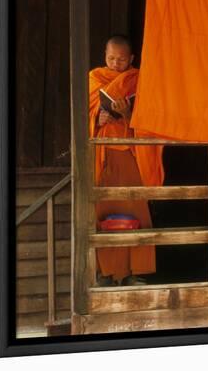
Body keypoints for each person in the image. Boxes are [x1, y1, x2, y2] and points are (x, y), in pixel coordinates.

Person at [88, 35, 164, 286]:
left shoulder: (140, 80)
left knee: (136, 213)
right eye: (111, 58)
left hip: (131, 155)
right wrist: (96, 120)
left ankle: (133, 272)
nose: (115, 63)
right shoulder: (94, 78)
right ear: (104, 56)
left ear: (131, 59)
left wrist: (128, 113)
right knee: (104, 212)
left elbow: (151, 117)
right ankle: (106, 273)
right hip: (104, 155)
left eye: (121, 59)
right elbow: (84, 115)